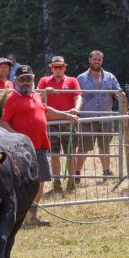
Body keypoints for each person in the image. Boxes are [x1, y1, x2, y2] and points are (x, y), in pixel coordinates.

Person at [0, 65, 79, 226]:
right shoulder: (11, 98)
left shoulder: (35, 95)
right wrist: (18, 137)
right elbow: (2, 121)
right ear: (16, 81)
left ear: (33, 80)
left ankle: (31, 216)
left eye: (29, 79)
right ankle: (18, 217)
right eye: (22, 79)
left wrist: (67, 115)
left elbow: (46, 111)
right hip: (20, 150)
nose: (26, 82)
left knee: (40, 181)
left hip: (40, 147)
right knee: (21, 184)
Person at [37, 56, 82, 193]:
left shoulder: (72, 80)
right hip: (51, 122)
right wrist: (45, 92)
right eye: (55, 67)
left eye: (60, 67)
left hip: (69, 121)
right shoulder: (44, 81)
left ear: (64, 68)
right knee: (54, 154)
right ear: (51, 68)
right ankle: (56, 183)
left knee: (71, 153)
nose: (58, 69)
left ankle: (71, 181)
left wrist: (76, 109)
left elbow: (78, 96)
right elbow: (37, 97)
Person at [75, 50, 122, 180]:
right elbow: (76, 96)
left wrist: (117, 95)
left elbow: (118, 93)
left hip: (105, 117)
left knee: (105, 147)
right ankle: (76, 174)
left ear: (102, 61)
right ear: (89, 60)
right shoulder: (81, 78)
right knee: (83, 149)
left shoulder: (110, 77)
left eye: (99, 59)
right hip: (87, 118)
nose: (96, 61)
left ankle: (106, 172)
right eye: (94, 59)